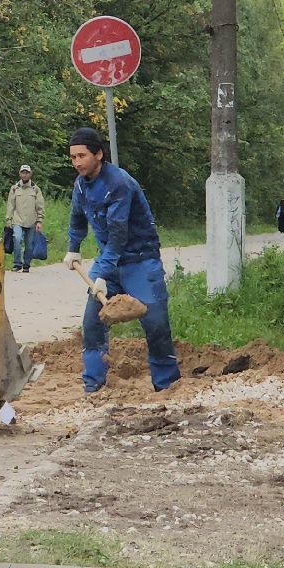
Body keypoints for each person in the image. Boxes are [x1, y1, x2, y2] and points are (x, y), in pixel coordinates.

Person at [62, 127, 179, 393]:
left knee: (155, 323)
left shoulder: (119, 184)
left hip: (140, 260)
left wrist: (102, 274)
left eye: (82, 156)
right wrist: (73, 248)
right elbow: (77, 218)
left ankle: (167, 386)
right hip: (110, 260)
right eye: (73, 157)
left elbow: (118, 235)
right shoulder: (80, 185)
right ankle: (93, 385)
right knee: (93, 322)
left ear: (98, 154)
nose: (77, 162)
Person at [4, 165, 45, 272]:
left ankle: (26, 265)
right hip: (17, 220)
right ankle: (17, 263)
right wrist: (9, 219)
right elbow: (10, 205)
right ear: (20, 174)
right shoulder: (15, 188)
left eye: (27, 172)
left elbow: (40, 206)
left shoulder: (35, 189)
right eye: (23, 172)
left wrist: (39, 221)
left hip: (31, 221)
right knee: (17, 239)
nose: (25, 174)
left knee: (29, 245)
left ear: (30, 174)